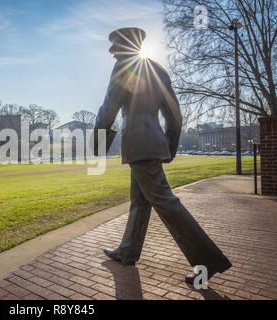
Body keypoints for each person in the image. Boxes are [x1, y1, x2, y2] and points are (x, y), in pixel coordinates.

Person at [93, 27, 231, 284]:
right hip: (153, 143)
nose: (114, 56)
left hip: (138, 145)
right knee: (140, 201)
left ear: (121, 49)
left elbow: (108, 108)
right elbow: (175, 115)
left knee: (166, 202)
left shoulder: (124, 67)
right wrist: (170, 146)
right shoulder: (159, 70)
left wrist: (98, 144)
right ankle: (127, 251)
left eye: (115, 51)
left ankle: (208, 261)